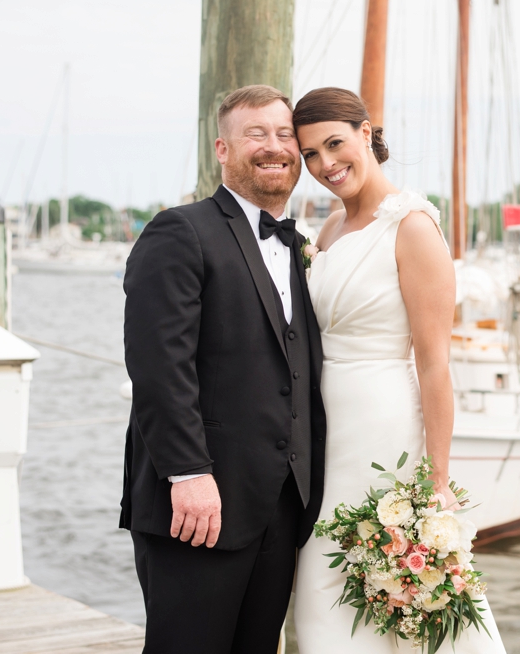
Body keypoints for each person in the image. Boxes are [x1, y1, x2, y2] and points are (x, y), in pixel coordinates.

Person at [291, 86, 506, 653]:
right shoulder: (331, 229)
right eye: (310, 154)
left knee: (395, 579)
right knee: (321, 583)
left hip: (383, 425)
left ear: (367, 132)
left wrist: (437, 479)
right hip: (321, 431)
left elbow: (435, 363)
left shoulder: (412, 227)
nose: (324, 164)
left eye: (334, 144)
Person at [121, 85, 326, 653]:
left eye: (285, 135)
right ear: (222, 149)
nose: (274, 147)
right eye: (255, 134)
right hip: (199, 506)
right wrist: (188, 474)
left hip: (281, 507)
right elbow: (158, 365)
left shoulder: (300, 246)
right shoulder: (180, 231)